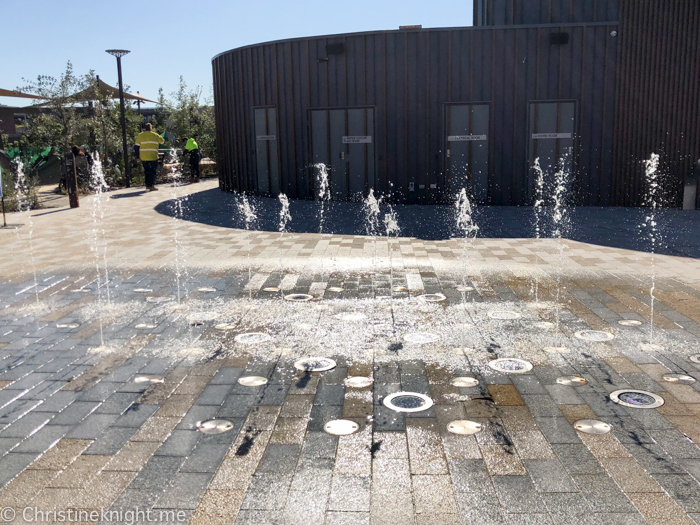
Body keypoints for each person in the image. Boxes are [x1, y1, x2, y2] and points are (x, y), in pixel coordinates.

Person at [135, 123, 164, 191]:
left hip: (144, 157)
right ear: (151, 128)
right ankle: (152, 186)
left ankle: (148, 185)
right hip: (153, 156)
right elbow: (162, 141)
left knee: (147, 171)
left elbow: (136, 146)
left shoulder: (140, 135)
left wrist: (137, 156)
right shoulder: (155, 135)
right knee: (153, 171)